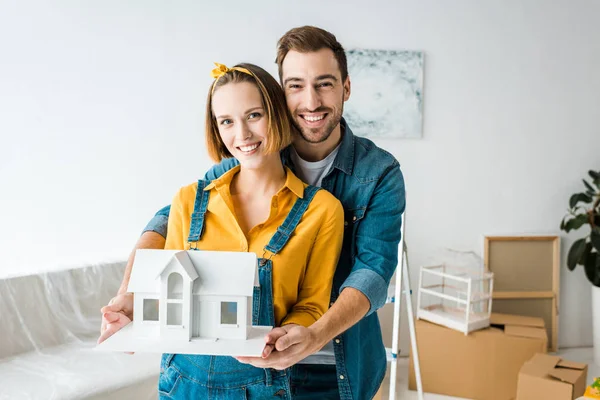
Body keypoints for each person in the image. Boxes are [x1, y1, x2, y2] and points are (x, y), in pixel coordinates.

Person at [101, 26, 406, 400]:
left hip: (333, 360)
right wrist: (130, 297)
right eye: (296, 85)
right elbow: (168, 220)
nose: (310, 101)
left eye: (324, 84)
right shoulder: (243, 160)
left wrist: (313, 335)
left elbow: (372, 272)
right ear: (281, 92)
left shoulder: (377, 173)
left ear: (346, 87)